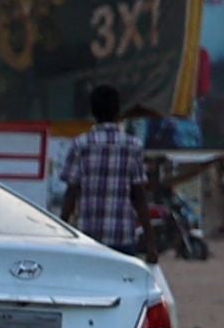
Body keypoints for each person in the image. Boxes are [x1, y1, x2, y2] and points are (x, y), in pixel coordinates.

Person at [53, 85, 155, 258]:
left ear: (93, 112)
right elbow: (139, 196)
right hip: (123, 237)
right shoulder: (133, 146)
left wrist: (62, 229)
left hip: (88, 237)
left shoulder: (80, 144)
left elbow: (71, 193)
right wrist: (150, 242)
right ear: (118, 112)